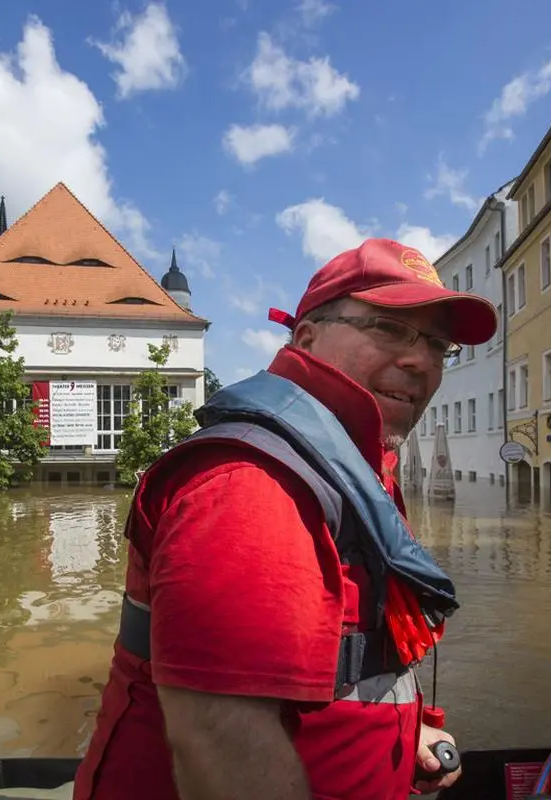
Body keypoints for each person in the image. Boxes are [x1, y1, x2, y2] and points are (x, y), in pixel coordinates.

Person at [72, 238, 500, 800]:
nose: (421, 360)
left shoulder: (351, 460)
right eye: (389, 328)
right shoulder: (254, 485)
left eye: (438, 346)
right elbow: (223, 747)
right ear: (306, 337)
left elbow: (351, 656)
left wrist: (403, 729)